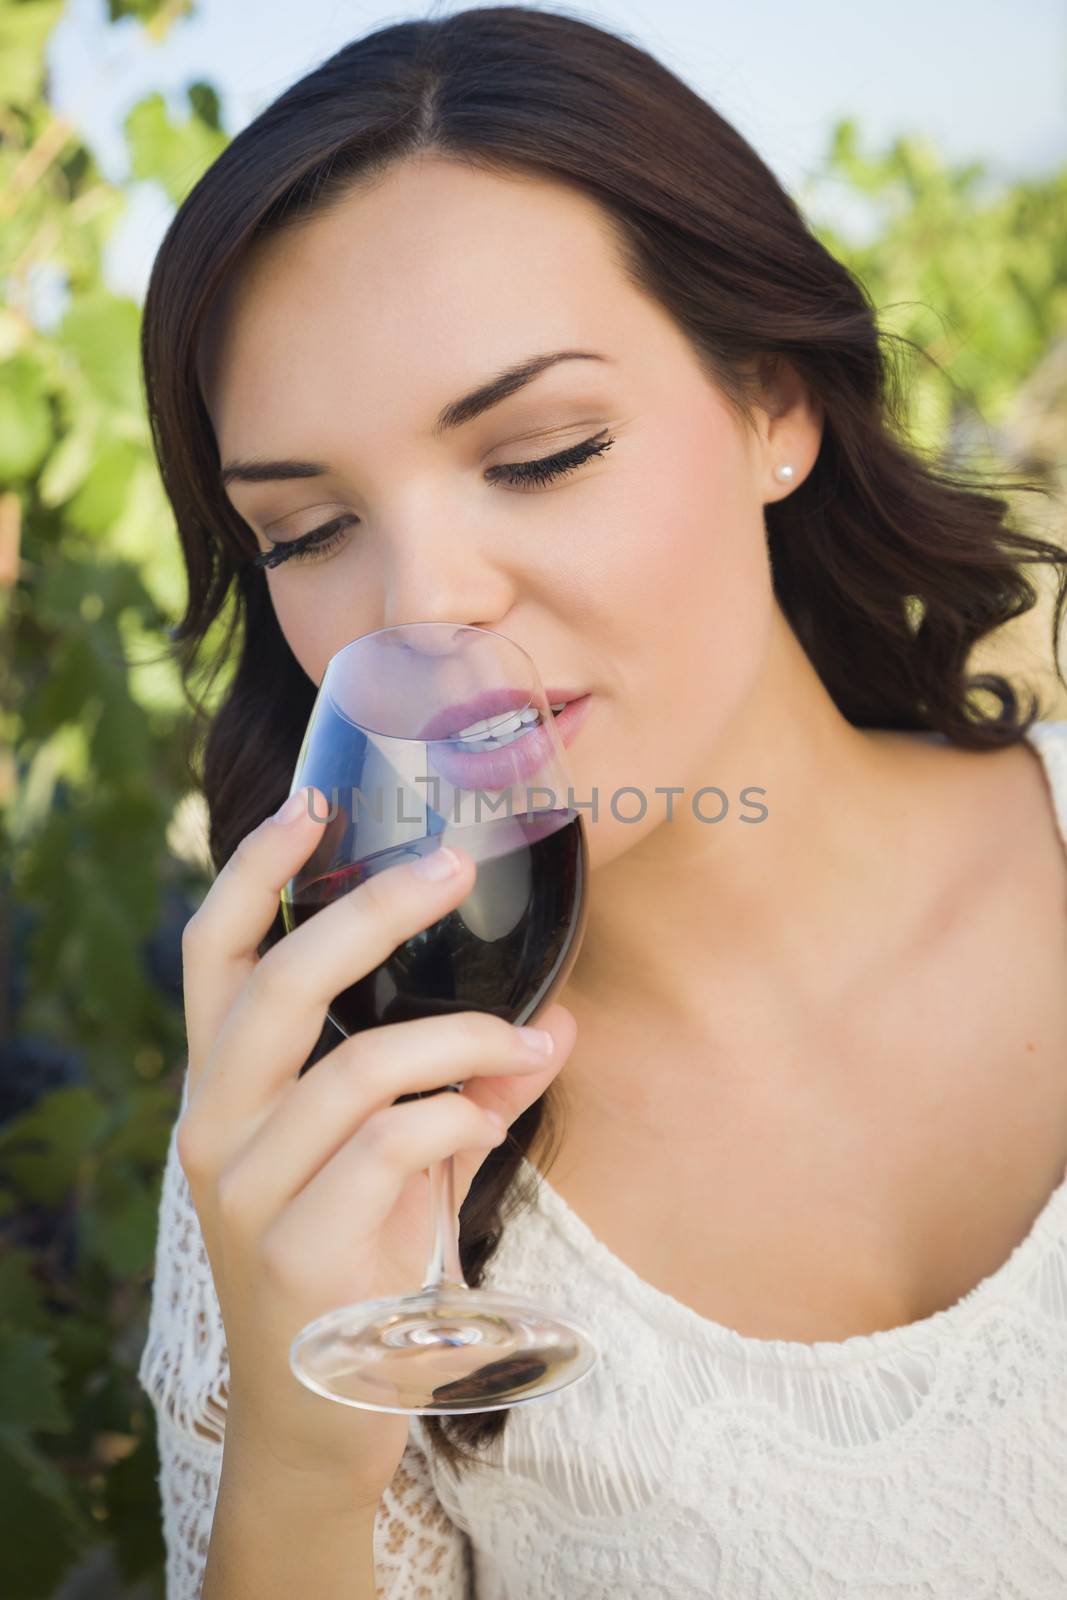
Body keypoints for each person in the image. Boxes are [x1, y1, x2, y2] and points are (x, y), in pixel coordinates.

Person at [134, 8, 1067, 1597]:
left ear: (775, 407)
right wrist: (306, 1441)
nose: (424, 605)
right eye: (306, 532)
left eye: (544, 453)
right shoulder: (314, 1155)